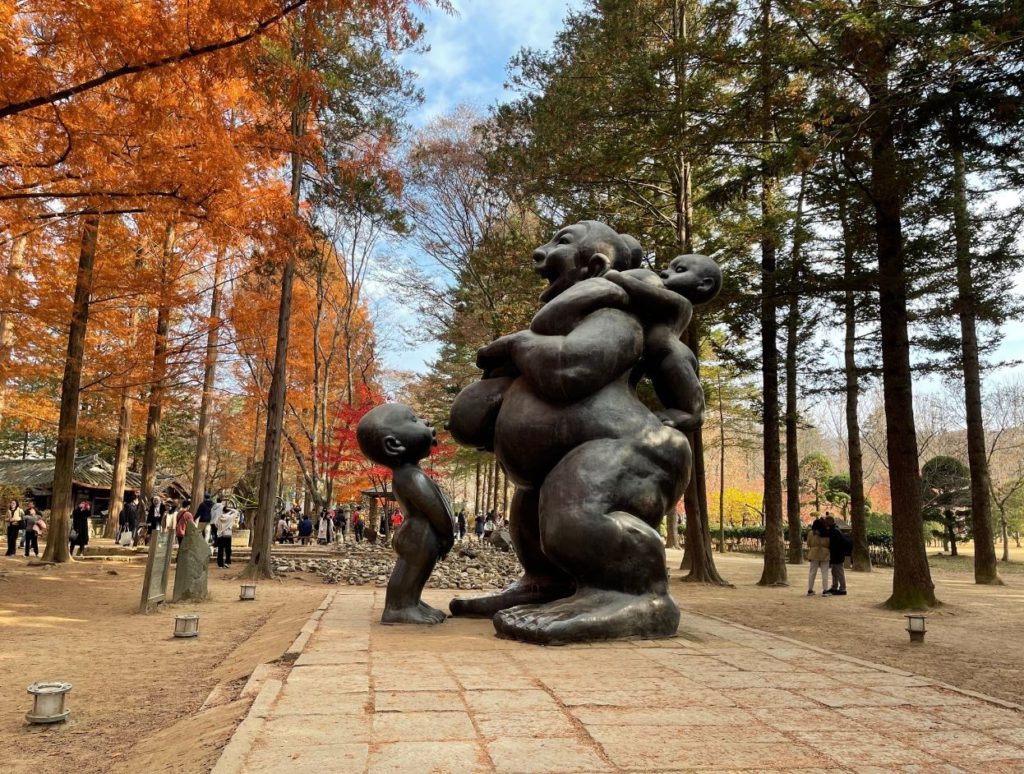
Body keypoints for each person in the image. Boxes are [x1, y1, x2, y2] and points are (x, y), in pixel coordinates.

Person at [356, 403, 454, 624]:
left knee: (416, 571)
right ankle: (399, 607)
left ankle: (412, 602)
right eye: (414, 420)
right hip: (418, 535)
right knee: (411, 570)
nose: (425, 422)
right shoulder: (411, 476)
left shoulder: (408, 473)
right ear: (393, 445)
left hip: (417, 533)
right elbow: (435, 508)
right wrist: (447, 535)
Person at [825, 515, 850, 596]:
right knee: (834, 571)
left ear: (831, 521)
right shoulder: (835, 530)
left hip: (837, 555)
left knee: (839, 572)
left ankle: (843, 588)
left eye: (827, 521)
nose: (826, 523)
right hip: (836, 554)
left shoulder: (834, 531)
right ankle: (834, 587)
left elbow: (835, 544)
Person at [805, 517, 831, 596]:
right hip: (825, 553)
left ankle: (810, 589)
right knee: (825, 572)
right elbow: (829, 543)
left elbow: (808, 543)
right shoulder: (827, 532)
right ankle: (825, 590)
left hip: (814, 552)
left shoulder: (811, 533)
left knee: (812, 572)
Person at [214, 502, 234, 567]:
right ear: (228, 511)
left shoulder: (219, 517)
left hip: (220, 534)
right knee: (228, 549)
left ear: (222, 510)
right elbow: (237, 512)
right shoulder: (230, 517)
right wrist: (231, 510)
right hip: (228, 533)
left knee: (220, 549)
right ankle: (227, 562)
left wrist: (220, 528)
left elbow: (216, 524)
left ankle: (220, 564)